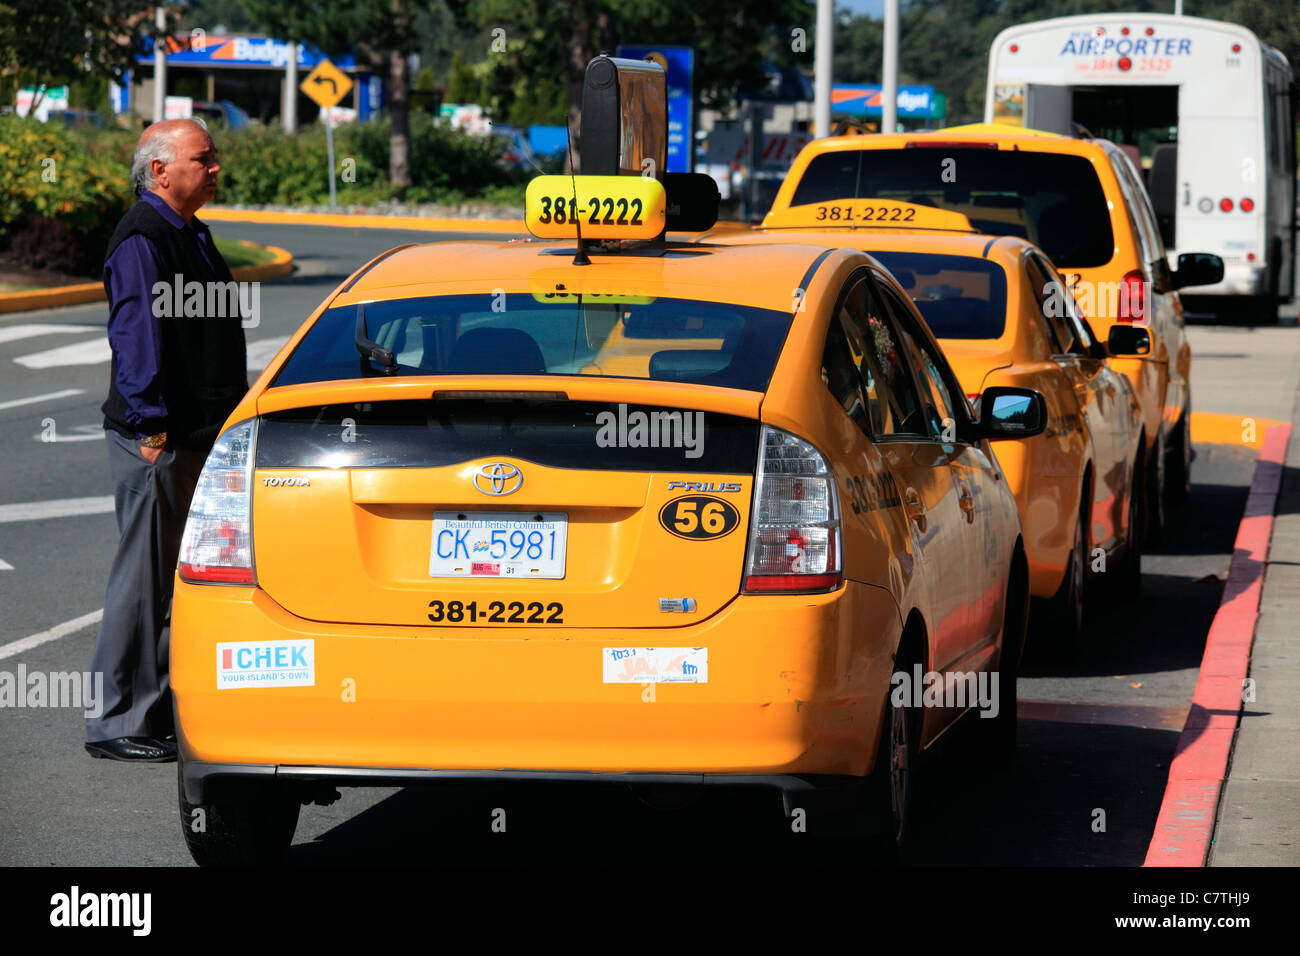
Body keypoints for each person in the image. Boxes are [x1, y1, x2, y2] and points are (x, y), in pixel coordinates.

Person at [84, 118, 248, 761]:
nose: (214, 168)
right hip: (156, 437)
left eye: (213, 158)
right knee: (141, 580)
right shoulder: (143, 238)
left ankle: (151, 715)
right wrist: (152, 424)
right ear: (160, 171)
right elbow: (137, 337)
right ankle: (115, 719)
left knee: (171, 584)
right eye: (202, 159)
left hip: (193, 436)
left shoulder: (192, 233)